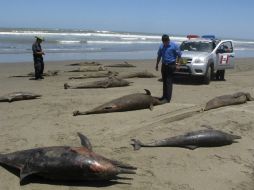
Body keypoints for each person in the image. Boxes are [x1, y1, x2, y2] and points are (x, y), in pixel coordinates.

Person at [156, 34, 181, 103]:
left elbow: (179, 55)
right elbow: (159, 56)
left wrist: (178, 64)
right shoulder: (161, 46)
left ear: (168, 40)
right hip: (164, 65)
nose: (165, 43)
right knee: (164, 82)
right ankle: (164, 96)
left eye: (166, 42)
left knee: (168, 81)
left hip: (171, 65)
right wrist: (157, 64)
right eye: (164, 42)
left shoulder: (174, 46)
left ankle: (168, 99)